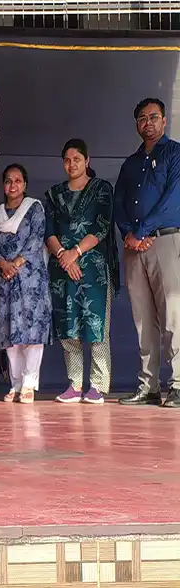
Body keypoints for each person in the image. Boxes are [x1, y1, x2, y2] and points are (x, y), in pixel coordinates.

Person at [114, 98, 180, 408]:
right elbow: (119, 203)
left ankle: (178, 384)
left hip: (164, 241)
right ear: (137, 125)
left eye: (154, 117)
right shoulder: (130, 164)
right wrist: (130, 234)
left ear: (164, 121)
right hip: (134, 248)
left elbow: (173, 199)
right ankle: (148, 386)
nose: (148, 122)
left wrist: (141, 232)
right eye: (142, 118)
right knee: (142, 319)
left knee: (173, 315)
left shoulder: (175, 154)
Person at [46, 139, 117, 404]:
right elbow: (49, 232)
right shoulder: (55, 194)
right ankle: (74, 385)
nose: (71, 164)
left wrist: (75, 252)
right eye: (67, 160)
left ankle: (98, 386)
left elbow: (102, 226)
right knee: (69, 327)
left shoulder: (101, 189)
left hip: (93, 268)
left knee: (97, 327)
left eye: (76, 159)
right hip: (63, 268)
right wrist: (63, 256)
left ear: (87, 161)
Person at [0, 164, 50, 404]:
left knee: (32, 332)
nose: (12, 185)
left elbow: (36, 239)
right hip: (5, 279)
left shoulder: (34, 208)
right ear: (3, 185)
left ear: (24, 184)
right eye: (8, 181)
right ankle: (15, 383)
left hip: (30, 279)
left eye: (17, 180)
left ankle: (29, 383)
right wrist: (3, 263)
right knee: (10, 333)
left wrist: (15, 263)